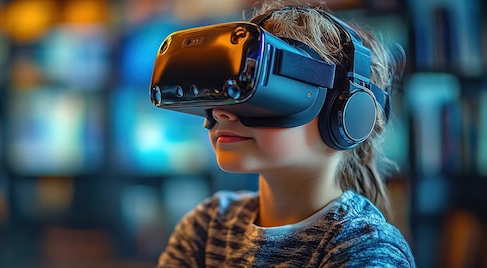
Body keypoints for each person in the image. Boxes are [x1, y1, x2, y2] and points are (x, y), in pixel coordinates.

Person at [156, 0, 416, 267]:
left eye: (263, 94)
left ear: (349, 115)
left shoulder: (365, 247)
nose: (222, 113)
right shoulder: (207, 226)